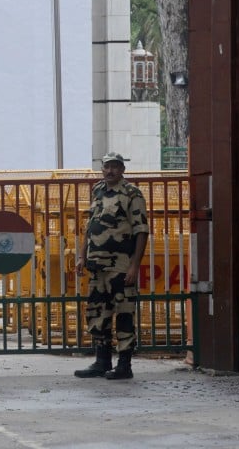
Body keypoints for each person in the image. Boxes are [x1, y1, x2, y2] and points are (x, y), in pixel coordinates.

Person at [74, 151, 149, 380]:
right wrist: (81, 256)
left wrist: (134, 266)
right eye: (107, 167)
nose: (110, 171)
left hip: (120, 266)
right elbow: (90, 227)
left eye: (115, 167)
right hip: (97, 266)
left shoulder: (131, 194)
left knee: (124, 313)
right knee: (98, 313)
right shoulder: (98, 190)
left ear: (122, 170)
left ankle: (124, 365)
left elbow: (141, 231)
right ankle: (101, 361)